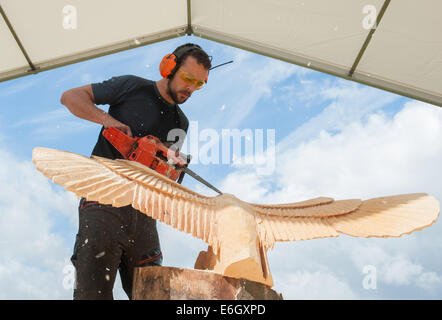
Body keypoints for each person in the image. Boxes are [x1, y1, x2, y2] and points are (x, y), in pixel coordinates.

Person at [60, 43, 212, 299]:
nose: (191, 88)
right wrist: (110, 122)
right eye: (187, 78)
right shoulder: (131, 87)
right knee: (92, 293)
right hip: (102, 200)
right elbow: (70, 97)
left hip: (143, 212)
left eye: (199, 84)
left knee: (152, 292)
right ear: (169, 67)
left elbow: (161, 174)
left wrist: (170, 164)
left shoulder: (180, 123)